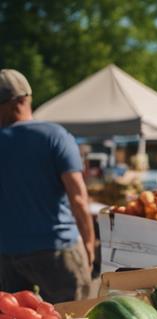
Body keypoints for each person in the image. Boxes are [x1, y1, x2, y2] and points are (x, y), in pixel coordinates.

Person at [0, 69, 94, 303]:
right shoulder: (54, 136)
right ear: (24, 99)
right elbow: (78, 197)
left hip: (7, 255)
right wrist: (89, 243)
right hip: (56, 250)